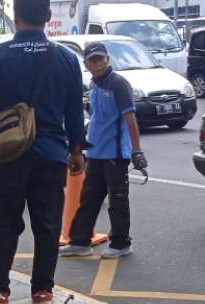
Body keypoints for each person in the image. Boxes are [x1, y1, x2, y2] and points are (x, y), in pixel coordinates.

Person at [0, 0, 89, 304]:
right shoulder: (65, 58)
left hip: (8, 155)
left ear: (14, 16)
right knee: (48, 225)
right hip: (51, 155)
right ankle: (43, 293)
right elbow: (74, 111)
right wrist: (76, 150)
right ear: (48, 17)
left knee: (4, 224)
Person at [59, 42, 147, 259]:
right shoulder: (94, 84)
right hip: (96, 153)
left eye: (100, 58)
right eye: (92, 60)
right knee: (89, 198)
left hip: (115, 154)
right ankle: (79, 242)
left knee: (117, 199)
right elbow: (98, 117)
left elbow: (130, 119)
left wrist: (137, 150)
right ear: (86, 63)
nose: (97, 63)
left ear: (107, 59)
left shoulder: (118, 84)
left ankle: (121, 243)